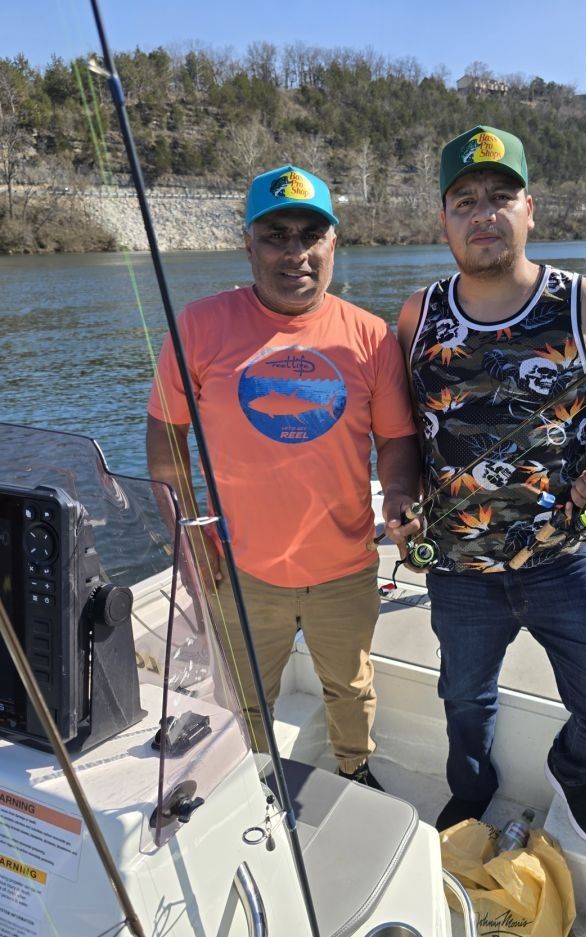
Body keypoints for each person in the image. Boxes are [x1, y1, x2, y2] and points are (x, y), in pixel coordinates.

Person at [394, 126, 586, 843]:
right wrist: (401, 497)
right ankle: (472, 790)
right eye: (465, 201)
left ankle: (574, 767)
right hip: (457, 566)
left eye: (500, 197)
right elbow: (401, 430)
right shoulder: (417, 315)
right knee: (463, 699)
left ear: (529, 209)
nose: (484, 213)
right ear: (444, 220)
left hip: (564, 554)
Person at [147, 165, 420, 788]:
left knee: (350, 683)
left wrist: (400, 495)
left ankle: (354, 767)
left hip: (345, 564)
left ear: (333, 243)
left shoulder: (372, 337)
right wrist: (185, 534)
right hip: (239, 568)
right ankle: (251, 777)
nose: (295, 252)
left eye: (310, 234)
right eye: (276, 235)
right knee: (243, 695)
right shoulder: (197, 325)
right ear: (248, 244)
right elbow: (166, 437)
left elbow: (395, 440)